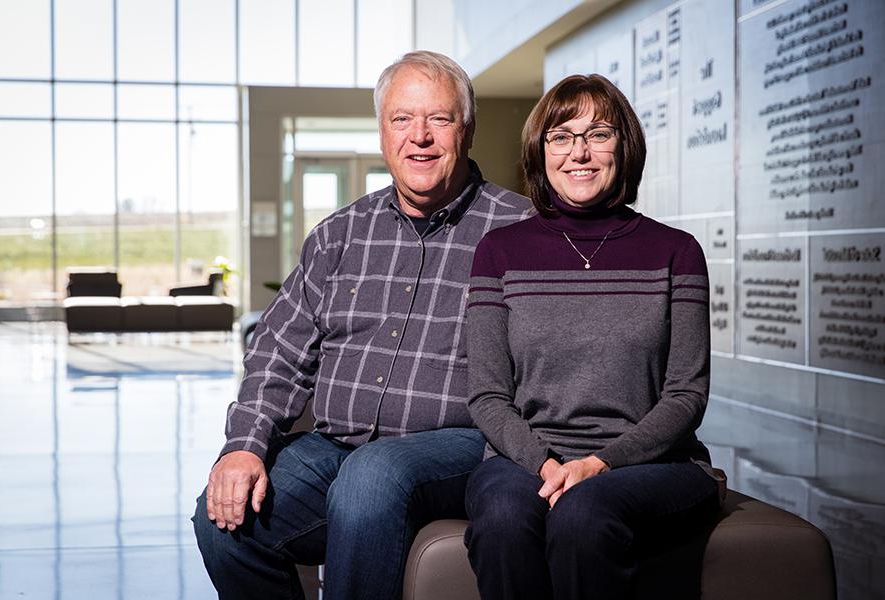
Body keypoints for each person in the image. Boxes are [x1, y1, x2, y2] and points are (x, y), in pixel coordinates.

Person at [192, 51, 531, 600]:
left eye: (438, 119)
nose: (419, 136)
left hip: (463, 448)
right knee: (222, 521)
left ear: (465, 130)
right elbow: (277, 352)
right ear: (382, 132)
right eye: (402, 119)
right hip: (337, 448)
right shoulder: (340, 235)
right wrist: (244, 447)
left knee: (373, 474)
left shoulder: (519, 233)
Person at [463, 74, 722, 600]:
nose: (579, 152)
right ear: (540, 153)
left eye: (598, 134)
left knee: (583, 514)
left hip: (653, 464)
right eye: (561, 136)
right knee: (504, 518)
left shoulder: (677, 252)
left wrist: (600, 464)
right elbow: (487, 396)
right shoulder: (500, 251)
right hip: (525, 460)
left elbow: (686, 395)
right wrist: (547, 464)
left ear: (624, 146)